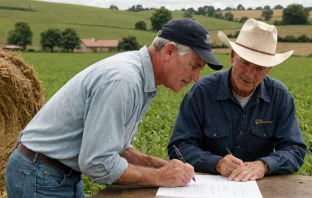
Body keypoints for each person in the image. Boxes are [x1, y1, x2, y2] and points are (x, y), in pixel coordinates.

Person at [5, 18, 223, 198]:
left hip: (58, 173)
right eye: (194, 66)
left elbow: (117, 148)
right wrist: (161, 177)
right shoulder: (124, 81)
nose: (196, 78)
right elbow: (97, 163)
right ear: (169, 51)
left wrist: (160, 165)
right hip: (39, 176)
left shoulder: (140, 78)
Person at [168, 18, 307, 182]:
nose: (249, 74)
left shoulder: (279, 96)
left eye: (259, 68)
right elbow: (179, 147)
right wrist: (217, 163)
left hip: (259, 187)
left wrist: (264, 165)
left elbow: (295, 149)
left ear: (269, 69)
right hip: (207, 186)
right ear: (233, 56)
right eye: (245, 63)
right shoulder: (202, 92)